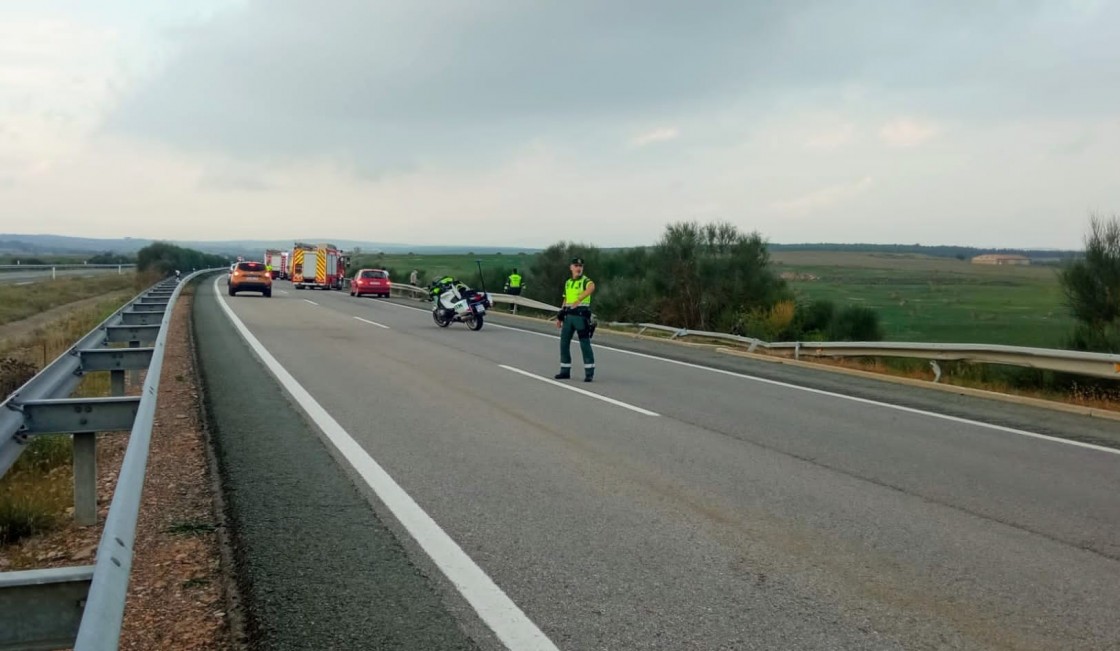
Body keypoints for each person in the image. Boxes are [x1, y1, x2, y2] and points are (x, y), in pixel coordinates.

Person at [555, 256, 596, 382]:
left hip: (580, 316)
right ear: (571, 268)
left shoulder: (585, 281)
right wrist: (560, 316)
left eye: (581, 266)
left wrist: (579, 299)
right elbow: (566, 299)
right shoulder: (568, 282)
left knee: (584, 344)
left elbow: (591, 287)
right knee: (564, 343)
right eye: (576, 266)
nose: (579, 268)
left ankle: (589, 372)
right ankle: (564, 371)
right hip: (568, 317)